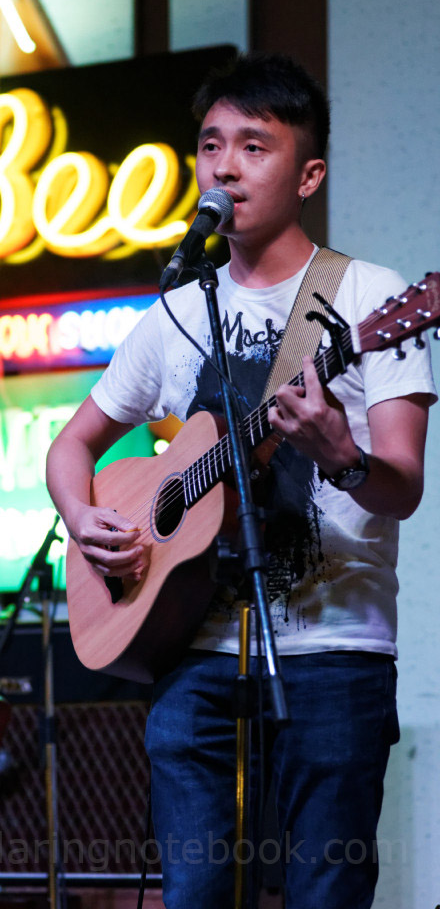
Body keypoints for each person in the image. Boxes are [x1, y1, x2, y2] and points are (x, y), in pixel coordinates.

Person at [45, 53, 437, 908]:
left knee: (325, 889)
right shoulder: (176, 310)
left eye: (254, 146)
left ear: (309, 175)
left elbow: (402, 486)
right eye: (210, 144)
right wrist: (81, 515)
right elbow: (72, 446)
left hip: (333, 650)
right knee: (193, 892)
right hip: (191, 649)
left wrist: (340, 455)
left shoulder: (373, 299)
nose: (224, 166)